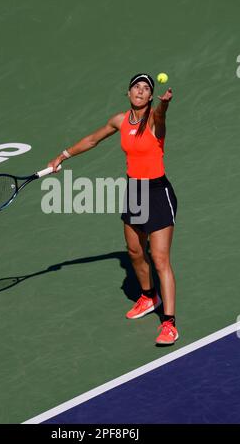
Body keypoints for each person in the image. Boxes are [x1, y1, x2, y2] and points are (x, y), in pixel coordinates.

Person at [47, 73, 178, 345]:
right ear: (128, 93)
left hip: (157, 193)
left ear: (151, 97)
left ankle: (169, 324)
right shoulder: (119, 121)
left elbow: (162, 116)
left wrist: (164, 105)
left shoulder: (154, 119)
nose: (140, 91)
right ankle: (148, 296)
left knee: (161, 259)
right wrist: (63, 155)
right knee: (134, 252)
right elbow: (93, 140)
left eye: (146, 89)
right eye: (136, 87)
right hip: (134, 192)